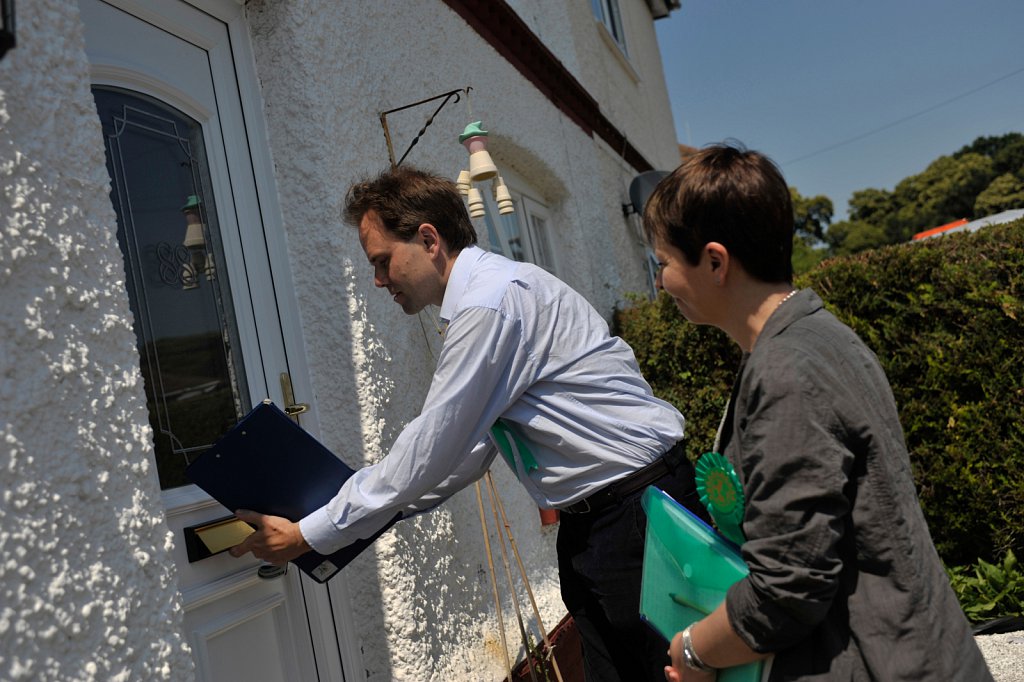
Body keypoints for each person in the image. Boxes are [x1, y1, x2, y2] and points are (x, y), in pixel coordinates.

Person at [229, 165, 710, 681]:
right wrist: (339, 519)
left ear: (428, 239)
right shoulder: (488, 299)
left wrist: (310, 532)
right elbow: (463, 457)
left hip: (637, 517)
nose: (378, 280)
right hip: (603, 523)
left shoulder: (489, 304)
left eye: (383, 261)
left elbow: (430, 449)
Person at [642, 144, 993, 681]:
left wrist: (693, 650)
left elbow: (789, 587)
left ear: (714, 262)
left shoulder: (785, 372)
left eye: (664, 263)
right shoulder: (815, 335)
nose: (660, 282)